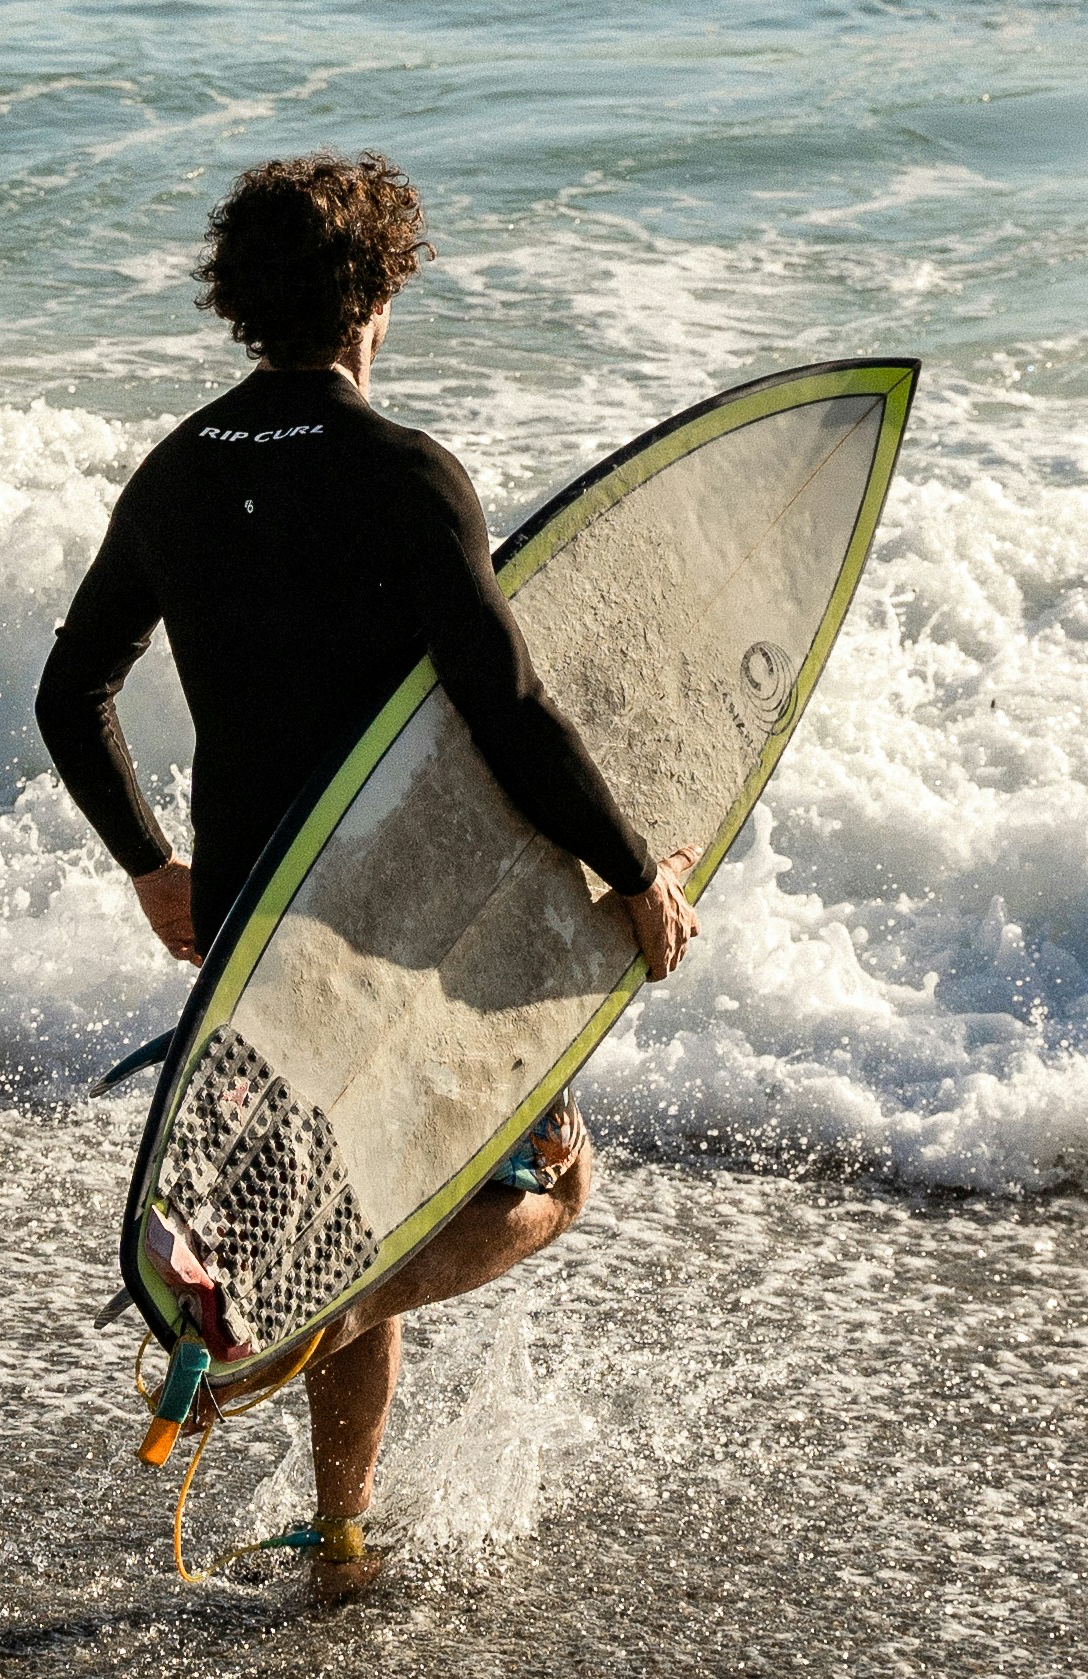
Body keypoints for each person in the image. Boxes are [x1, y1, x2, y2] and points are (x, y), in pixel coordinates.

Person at [36, 152, 698, 1590]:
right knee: (549, 1187)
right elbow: (504, 707)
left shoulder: (174, 473)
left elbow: (68, 693)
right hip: (406, 928)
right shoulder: (404, 475)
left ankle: (340, 1526)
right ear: (377, 291)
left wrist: (158, 869)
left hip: (255, 930)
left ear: (240, 302)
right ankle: (316, 1317)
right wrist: (633, 870)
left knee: (350, 1184)